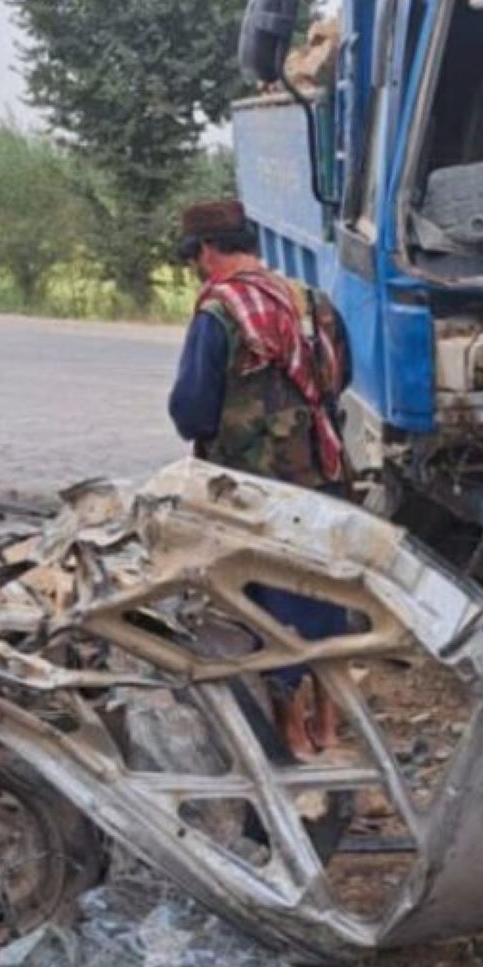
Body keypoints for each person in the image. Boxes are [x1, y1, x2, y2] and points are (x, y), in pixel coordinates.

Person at [168, 199, 353, 759]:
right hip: (323, 475)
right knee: (324, 594)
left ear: (205, 250)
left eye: (195, 257)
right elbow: (341, 379)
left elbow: (192, 413)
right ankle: (330, 725)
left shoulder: (220, 314)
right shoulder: (311, 302)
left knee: (265, 607)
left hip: (253, 494)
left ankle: (290, 736)